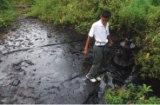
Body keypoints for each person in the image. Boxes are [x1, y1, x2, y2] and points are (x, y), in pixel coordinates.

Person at [83, 10, 112, 83]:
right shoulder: (95, 25)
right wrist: (86, 48)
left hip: (104, 45)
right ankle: (89, 76)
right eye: (103, 19)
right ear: (101, 17)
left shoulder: (107, 24)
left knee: (102, 61)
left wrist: (110, 41)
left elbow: (107, 33)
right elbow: (89, 36)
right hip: (97, 46)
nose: (104, 21)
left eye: (106, 20)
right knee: (96, 63)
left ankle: (96, 75)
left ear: (108, 18)